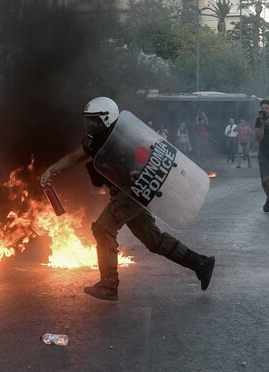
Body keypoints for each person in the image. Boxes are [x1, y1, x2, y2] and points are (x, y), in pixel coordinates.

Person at [40, 97, 215, 301]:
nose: (90, 125)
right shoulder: (95, 139)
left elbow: (146, 160)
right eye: (88, 120)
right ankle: (200, 264)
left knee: (103, 228)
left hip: (134, 191)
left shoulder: (127, 137)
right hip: (127, 192)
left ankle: (109, 284)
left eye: (94, 120)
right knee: (153, 240)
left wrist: (136, 172)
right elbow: (75, 156)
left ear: (106, 119)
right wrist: (52, 169)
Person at [254, 99, 269, 212]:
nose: (264, 110)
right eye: (262, 108)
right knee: (265, 180)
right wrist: (263, 124)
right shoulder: (259, 120)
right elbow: (259, 139)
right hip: (264, 152)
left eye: (266, 108)